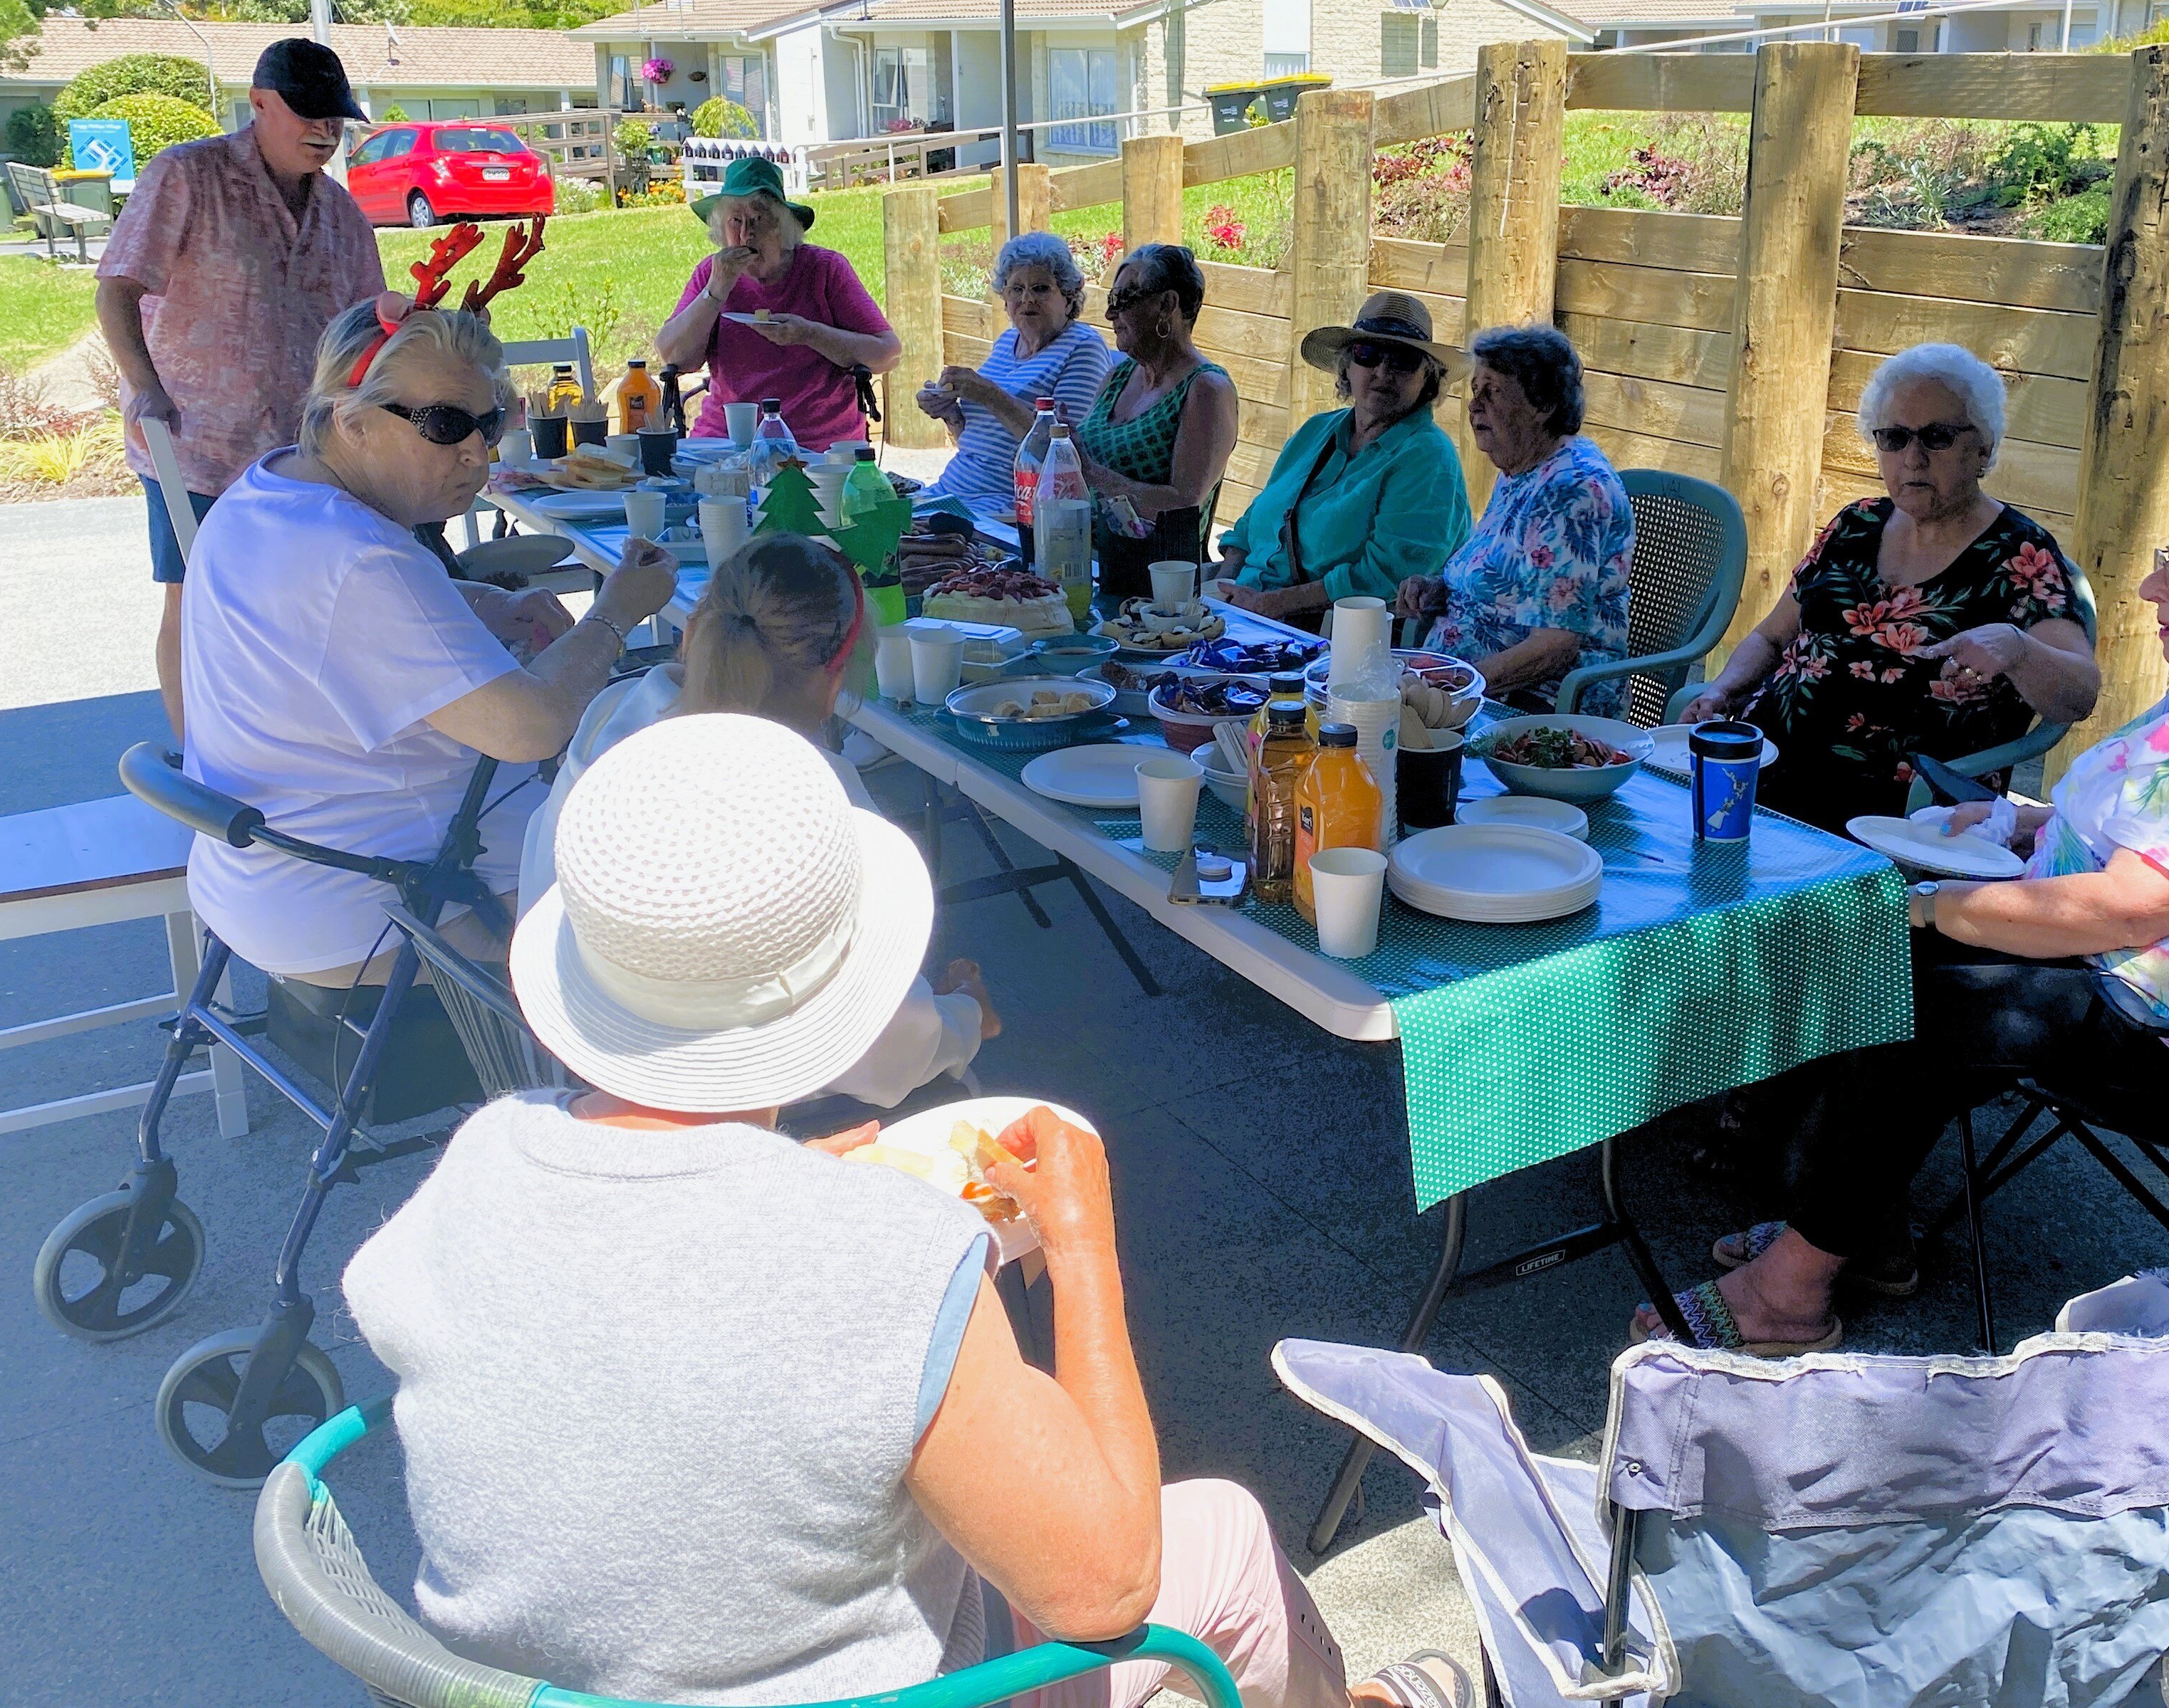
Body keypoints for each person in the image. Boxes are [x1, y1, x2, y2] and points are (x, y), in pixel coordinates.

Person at [345, 712, 1460, 1708]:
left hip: (526, 1692)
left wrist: (770, 1185)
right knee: (1216, 1536)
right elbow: (1105, 1584)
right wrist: (1081, 1251)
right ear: (841, 989)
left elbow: (606, 1321)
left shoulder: (484, 1158)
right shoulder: (891, 1259)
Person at [1638, 481, 2169, 1356]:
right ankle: (1849, 1225)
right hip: (2163, 986)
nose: (2152, 590)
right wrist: (2026, 823)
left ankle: (1792, 1289)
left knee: (1918, 983)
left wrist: (1929, 907)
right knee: (1897, 956)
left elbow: (2134, 905)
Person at [177, 297, 676, 986]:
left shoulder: (269, 492)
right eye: (445, 425)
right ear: (351, 422)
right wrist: (617, 612)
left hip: (269, 879)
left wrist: (487, 603)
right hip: (380, 901)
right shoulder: (359, 556)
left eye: (489, 420)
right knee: (697, 846)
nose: (479, 449)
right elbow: (531, 727)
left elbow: (325, 622)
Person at [518, 531, 991, 1106]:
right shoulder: (808, 799)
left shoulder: (614, 714)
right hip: (728, 1098)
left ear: (693, 634)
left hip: (583, 1053)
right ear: (836, 679)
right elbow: (880, 1058)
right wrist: (965, 1017)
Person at [96, 38, 392, 737]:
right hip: (194, 445)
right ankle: (202, 756)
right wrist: (144, 387)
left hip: (301, 455)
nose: (325, 132)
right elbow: (117, 289)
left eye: (336, 119)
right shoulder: (188, 176)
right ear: (259, 103)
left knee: (296, 603)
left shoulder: (343, 217)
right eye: (309, 115)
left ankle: (280, 740)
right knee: (193, 598)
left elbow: (370, 328)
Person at [1681, 343, 2099, 828]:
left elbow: (2080, 694)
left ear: (1982, 446)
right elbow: (1771, 637)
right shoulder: (1855, 524)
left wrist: (2019, 649)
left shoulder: (2020, 554)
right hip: (1763, 766)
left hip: (1896, 808)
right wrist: (1724, 691)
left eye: (1937, 437)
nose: (1913, 458)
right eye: (1895, 438)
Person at [1393, 325, 1632, 714]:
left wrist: (1455, 687)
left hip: (1535, 704)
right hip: (1470, 685)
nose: (1474, 406)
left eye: (1494, 392)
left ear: (1543, 405)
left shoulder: (1570, 490)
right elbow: (1507, 581)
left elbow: (1555, 647)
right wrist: (1440, 590)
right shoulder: (1521, 470)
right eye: (1475, 391)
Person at [1209, 293, 1470, 628]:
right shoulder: (1317, 430)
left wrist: (1271, 604)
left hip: (1327, 637)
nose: (1382, 371)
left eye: (1403, 360)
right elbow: (1252, 524)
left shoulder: (1429, 459)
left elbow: (1386, 576)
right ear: (1347, 365)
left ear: (1428, 378)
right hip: (1247, 616)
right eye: (1368, 354)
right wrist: (1222, 596)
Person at [657, 155, 900, 450]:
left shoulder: (823, 269)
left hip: (815, 443)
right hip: (727, 440)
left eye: (759, 219)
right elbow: (674, 358)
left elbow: (887, 355)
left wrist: (810, 334)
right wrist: (715, 292)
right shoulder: (712, 274)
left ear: (783, 226)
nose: (746, 233)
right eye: (736, 221)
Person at [912, 230, 1114, 533]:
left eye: (1041, 288)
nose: (1027, 299)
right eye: (1016, 289)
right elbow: (983, 443)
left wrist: (988, 394)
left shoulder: (1082, 346)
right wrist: (949, 411)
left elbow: (1061, 454)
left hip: (1006, 509)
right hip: (952, 493)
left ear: (1069, 298)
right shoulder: (1008, 341)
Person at [1073, 243, 1239, 602]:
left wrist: (1094, 475)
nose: (1110, 314)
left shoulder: (1206, 388)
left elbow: (1184, 503)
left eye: (1123, 300)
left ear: (1167, 305)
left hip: (1153, 586)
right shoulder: (1118, 377)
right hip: (1088, 564)